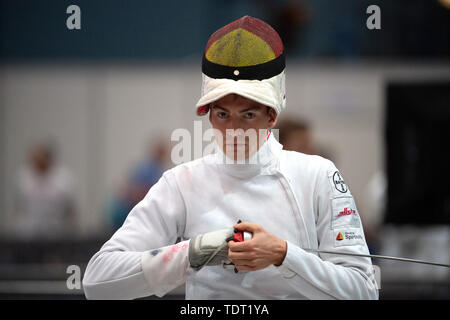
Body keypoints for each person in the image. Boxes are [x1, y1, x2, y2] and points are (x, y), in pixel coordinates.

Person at [83, 16, 378, 300]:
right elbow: (98, 280)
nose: (234, 130)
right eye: (222, 114)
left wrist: (283, 255)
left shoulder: (318, 176)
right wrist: (195, 252)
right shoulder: (181, 183)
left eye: (248, 115)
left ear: (271, 115)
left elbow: (363, 290)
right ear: (209, 115)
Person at [13, 141, 77, 240]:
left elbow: (71, 210)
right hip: (28, 233)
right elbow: (19, 206)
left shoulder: (63, 178)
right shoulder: (23, 178)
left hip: (58, 233)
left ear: (48, 158)